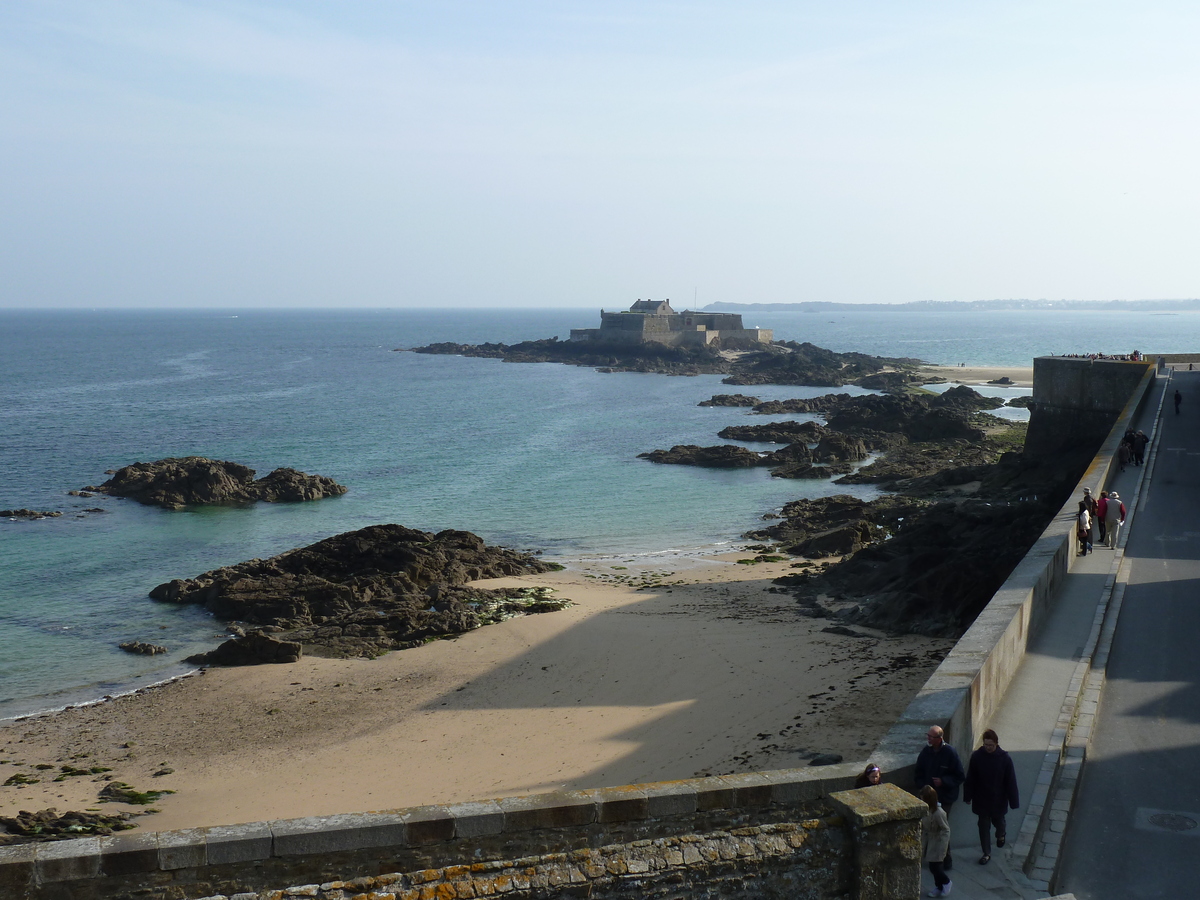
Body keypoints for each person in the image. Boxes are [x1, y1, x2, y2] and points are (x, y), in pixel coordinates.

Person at [962, 729, 1019, 866]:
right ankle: (986, 853)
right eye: (986, 745)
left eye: (990, 745)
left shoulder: (1004, 759)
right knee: (983, 826)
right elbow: (971, 778)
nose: (988, 748)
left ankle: (1001, 834)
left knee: (999, 822)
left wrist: (1013, 801)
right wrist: (968, 796)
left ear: (996, 744)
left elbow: (1010, 781)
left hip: (998, 799)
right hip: (981, 798)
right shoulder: (977, 757)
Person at [915, 725, 964, 869]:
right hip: (929, 797)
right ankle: (934, 858)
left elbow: (960, 776)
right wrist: (924, 788)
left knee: (942, 827)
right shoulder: (926, 752)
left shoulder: (950, 753)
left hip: (945, 796)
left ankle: (945, 859)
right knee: (930, 827)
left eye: (931, 736)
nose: (928, 738)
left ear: (940, 739)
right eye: (928, 735)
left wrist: (944, 782)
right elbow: (918, 773)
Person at [920, 785, 952, 897]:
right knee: (932, 867)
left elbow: (945, 830)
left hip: (937, 843)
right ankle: (939, 886)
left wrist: (943, 847)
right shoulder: (927, 810)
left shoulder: (939, 813)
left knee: (936, 867)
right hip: (930, 841)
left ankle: (946, 882)